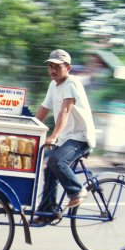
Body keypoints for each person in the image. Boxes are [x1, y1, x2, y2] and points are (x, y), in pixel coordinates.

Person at [34, 49, 96, 224]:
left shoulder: (71, 83)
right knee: (49, 169)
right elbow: (43, 109)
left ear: (67, 68)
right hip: (67, 138)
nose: (53, 70)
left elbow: (65, 111)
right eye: (51, 67)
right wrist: (30, 129)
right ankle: (48, 211)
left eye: (57, 67)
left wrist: (53, 136)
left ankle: (77, 190)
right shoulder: (53, 85)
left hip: (80, 137)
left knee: (56, 161)